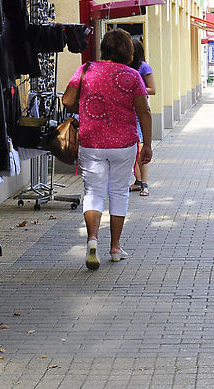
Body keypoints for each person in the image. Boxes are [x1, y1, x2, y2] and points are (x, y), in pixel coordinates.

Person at [62, 29, 153, 270]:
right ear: (128, 51)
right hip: (123, 144)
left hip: (91, 141)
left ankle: (92, 240)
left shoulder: (86, 70)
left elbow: (68, 101)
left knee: (93, 192)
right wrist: (149, 145)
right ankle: (115, 247)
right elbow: (144, 111)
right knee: (119, 193)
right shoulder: (133, 76)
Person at [129, 39, 156, 197]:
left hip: (139, 112)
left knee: (140, 149)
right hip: (126, 112)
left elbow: (153, 89)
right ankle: (138, 181)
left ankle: (144, 182)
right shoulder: (125, 67)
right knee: (132, 149)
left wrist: (135, 89)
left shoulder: (144, 67)